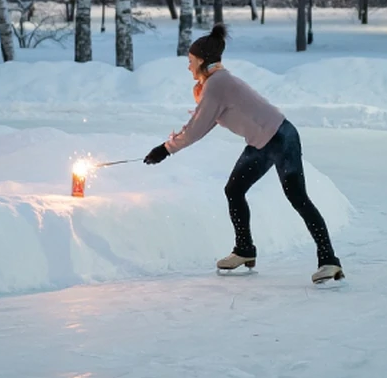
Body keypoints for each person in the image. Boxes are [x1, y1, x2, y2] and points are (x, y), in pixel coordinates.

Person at [143, 23, 344, 284]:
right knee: (234, 190)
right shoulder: (215, 83)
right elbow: (203, 120)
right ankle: (244, 250)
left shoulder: (217, 84)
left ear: (202, 60)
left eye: (190, 61)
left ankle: (329, 260)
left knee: (298, 198)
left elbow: (197, 129)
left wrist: (165, 149)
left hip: (282, 138)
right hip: (262, 141)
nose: (188, 66)